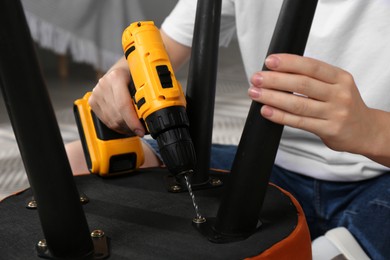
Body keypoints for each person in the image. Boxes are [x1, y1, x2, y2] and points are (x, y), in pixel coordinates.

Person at [66, 0, 390, 259]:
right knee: (76, 159)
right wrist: (123, 74)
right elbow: (161, 46)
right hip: (266, 164)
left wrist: (375, 131)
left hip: (380, 176)